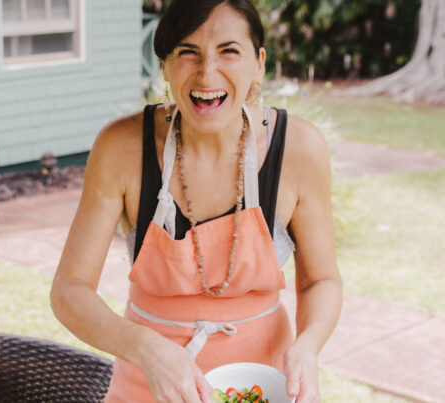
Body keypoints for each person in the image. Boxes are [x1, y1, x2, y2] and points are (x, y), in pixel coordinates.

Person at [50, 1, 342, 402]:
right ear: (166, 66)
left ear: (258, 63)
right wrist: (147, 349)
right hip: (149, 377)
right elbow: (69, 290)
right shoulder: (121, 148)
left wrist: (307, 348)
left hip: (265, 379)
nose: (207, 73)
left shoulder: (299, 149)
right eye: (188, 52)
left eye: (229, 51)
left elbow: (320, 279)